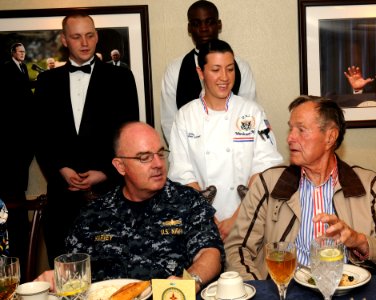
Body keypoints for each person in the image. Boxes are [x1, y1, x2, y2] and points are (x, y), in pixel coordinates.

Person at [224, 95, 376, 280]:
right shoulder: (269, 184)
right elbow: (237, 249)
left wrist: (358, 241)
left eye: (301, 130)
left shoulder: (368, 185)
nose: (290, 138)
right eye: (291, 129)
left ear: (330, 137)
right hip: (288, 291)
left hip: (346, 289)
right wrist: (262, 292)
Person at [35, 122, 224, 293]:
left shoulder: (187, 201)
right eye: (144, 157)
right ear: (120, 166)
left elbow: (210, 253)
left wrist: (190, 281)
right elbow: (73, 270)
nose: (158, 164)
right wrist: (56, 277)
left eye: (160, 154)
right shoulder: (94, 214)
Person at [34, 13, 139, 267]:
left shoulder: (121, 78)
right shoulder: (46, 82)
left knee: (114, 275)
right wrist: (61, 169)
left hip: (110, 196)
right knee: (66, 279)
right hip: (62, 200)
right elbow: (39, 135)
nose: (84, 42)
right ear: (64, 40)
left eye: (90, 35)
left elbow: (128, 134)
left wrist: (104, 172)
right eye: (76, 36)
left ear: (97, 36)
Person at [168, 39, 283, 241]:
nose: (224, 77)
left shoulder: (251, 111)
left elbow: (265, 167)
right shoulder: (185, 116)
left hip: (249, 218)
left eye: (230, 69)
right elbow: (181, 173)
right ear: (200, 72)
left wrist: (237, 217)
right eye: (216, 70)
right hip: (200, 221)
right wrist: (207, 216)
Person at [160, 0, 257, 143]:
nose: (203, 28)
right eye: (196, 23)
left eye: (209, 22)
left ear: (219, 25)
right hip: (189, 157)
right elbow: (169, 122)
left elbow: (248, 114)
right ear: (189, 28)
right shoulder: (174, 69)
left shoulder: (241, 67)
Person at [0, 42, 34, 279]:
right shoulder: (5, 71)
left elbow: (25, 120)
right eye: (19, 52)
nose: (22, 55)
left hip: (11, 181)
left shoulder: (15, 73)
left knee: (15, 265)